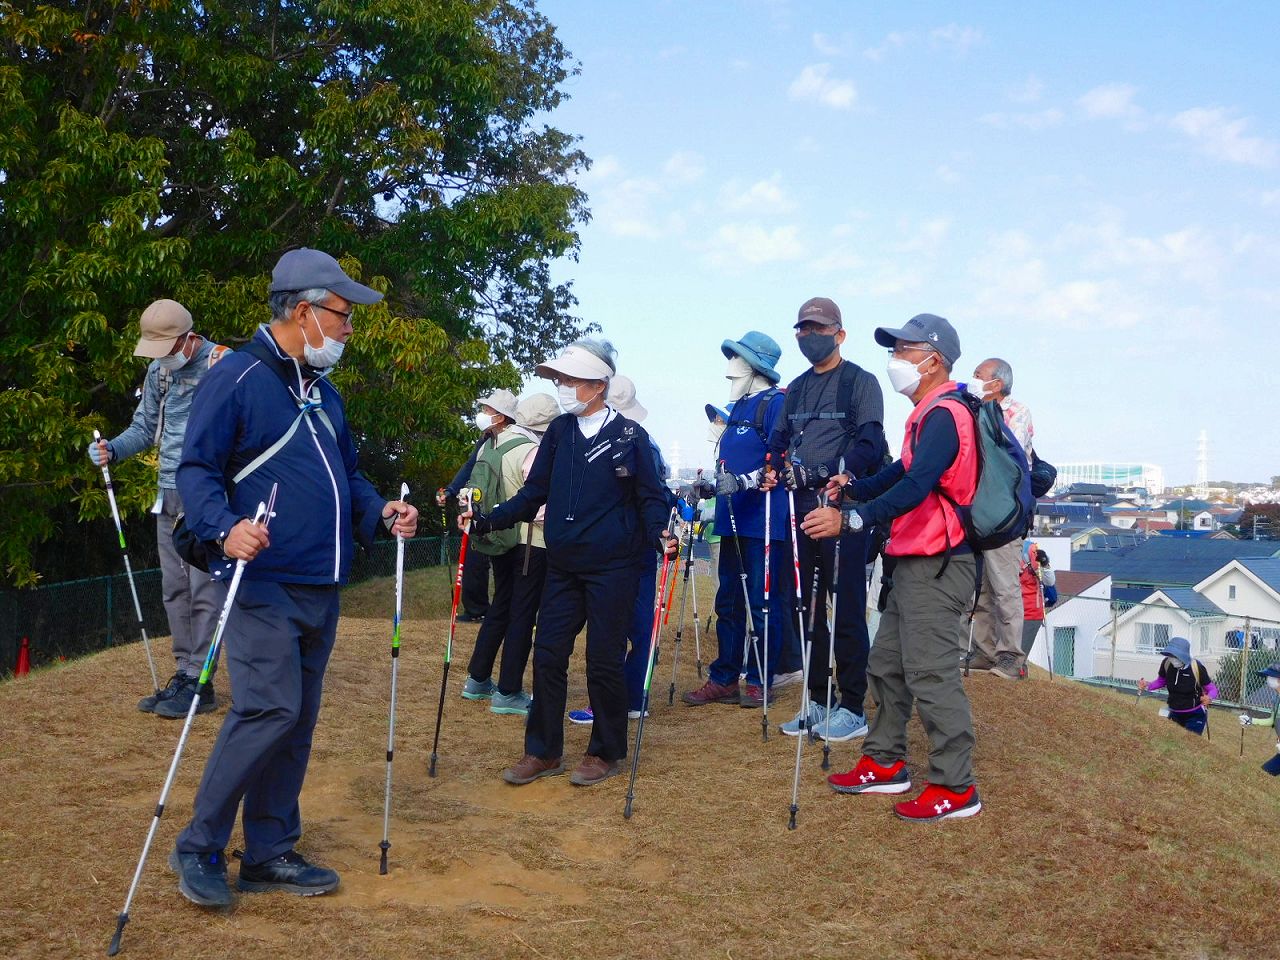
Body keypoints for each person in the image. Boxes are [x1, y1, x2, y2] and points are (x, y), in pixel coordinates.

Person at [169, 248, 418, 907]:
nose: (349, 328)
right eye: (342, 315)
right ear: (304, 311)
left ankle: (269, 850)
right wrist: (225, 528)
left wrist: (381, 512)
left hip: (320, 583)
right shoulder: (241, 376)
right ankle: (198, 847)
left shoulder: (323, 391)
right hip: (260, 582)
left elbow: (350, 476)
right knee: (267, 708)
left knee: (296, 718)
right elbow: (195, 470)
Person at [462, 340, 676, 787]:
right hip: (562, 564)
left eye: (570, 380)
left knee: (602, 660)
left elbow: (650, 497)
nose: (562, 388)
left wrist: (661, 535)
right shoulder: (559, 431)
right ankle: (542, 751)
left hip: (613, 567)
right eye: (560, 380)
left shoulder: (630, 438)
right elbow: (532, 492)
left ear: (599, 385)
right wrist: (487, 522)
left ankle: (605, 751)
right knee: (547, 655)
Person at [807, 313, 983, 822]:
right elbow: (902, 471)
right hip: (913, 561)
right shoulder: (929, 414)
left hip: (940, 563)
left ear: (933, 360)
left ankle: (956, 787)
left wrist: (854, 518)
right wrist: (856, 489)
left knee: (931, 673)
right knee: (887, 666)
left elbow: (917, 485)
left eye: (904, 350)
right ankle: (885, 763)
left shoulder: (948, 414)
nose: (895, 360)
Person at [87, 299, 230, 718]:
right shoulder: (159, 372)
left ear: (189, 337)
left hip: (207, 495)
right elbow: (145, 428)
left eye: (167, 348)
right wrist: (112, 449)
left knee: (205, 592)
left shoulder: (221, 363)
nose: (162, 358)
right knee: (174, 590)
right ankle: (184, 674)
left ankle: (201, 684)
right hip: (166, 493)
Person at [763, 298, 887, 741]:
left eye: (816, 328)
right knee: (808, 609)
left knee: (848, 606)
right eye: (801, 329)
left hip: (842, 509)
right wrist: (773, 466)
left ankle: (852, 706)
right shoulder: (794, 389)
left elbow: (871, 440)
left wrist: (845, 474)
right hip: (799, 511)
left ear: (839, 333)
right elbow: (778, 441)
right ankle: (817, 701)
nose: (807, 336)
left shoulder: (860, 382)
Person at [684, 331, 794, 710]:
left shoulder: (777, 404)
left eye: (738, 362)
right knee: (728, 599)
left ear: (756, 368)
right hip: (732, 520)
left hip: (764, 521)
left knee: (763, 603)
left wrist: (744, 481)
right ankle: (724, 677)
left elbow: (782, 461)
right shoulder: (742, 408)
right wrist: (710, 485)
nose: (730, 371)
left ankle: (761, 678)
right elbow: (731, 463)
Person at [567, 373, 677, 726]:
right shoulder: (650, 443)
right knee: (640, 626)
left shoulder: (627, 440)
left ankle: (616, 702)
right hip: (644, 545)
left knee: (614, 631)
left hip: (625, 548)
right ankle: (632, 697)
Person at [457, 389, 538, 715]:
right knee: (521, 613)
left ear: (501, 416)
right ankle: (509, 691)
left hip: (493, 536)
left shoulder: (488, 446)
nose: (482, 413)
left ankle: (478, 679)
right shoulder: (527, 449)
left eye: (486, 409)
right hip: (524, 540)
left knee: (501, 606)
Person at [965, 358, 1033, 680]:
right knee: (981, 587)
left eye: (979, 376)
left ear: (997, 383)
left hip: (1005, 514)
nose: (973, 379)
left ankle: (1011, 656)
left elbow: (1009, 453)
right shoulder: (973, 409)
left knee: (1005, 587)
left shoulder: (1015, 412)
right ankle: (983, 650)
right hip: (977, 511)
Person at [439, 443, 492, 623]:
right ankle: (476, 610)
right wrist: (451, 490)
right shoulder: (484, 440)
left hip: (507, 507)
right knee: (472, 560)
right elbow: (469, 466)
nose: (484, 414)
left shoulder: (519, 434)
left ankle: (514, 614)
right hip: (479, 507)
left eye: (488, 411)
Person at [1138, 636, 1217, 736]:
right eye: (1170, 656)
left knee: (1190, 743)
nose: (1173, 659)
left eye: (1176, 656)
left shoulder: (1197, 668)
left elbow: (1212, 689)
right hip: (1174, 712)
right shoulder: (1166, 663)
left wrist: (1209, 697)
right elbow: (1161, 681)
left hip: (1195, 714)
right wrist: (1147, 685)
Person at [1017, 543, 1056, 676]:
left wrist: (1044, 563)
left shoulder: (1031, 551)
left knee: (1020, 653)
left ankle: (1019, 675)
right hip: (1011, 609)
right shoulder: (1002, 548)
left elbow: (1049, 581)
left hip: (1031, 612)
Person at [1240, 664, 1280, 776]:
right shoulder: (1276, 698)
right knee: (1263, 774)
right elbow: (1272, 721)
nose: (1267, 679)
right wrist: (1251, 720)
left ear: (1278, 679)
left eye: (1269, 676)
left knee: (1263, 774)